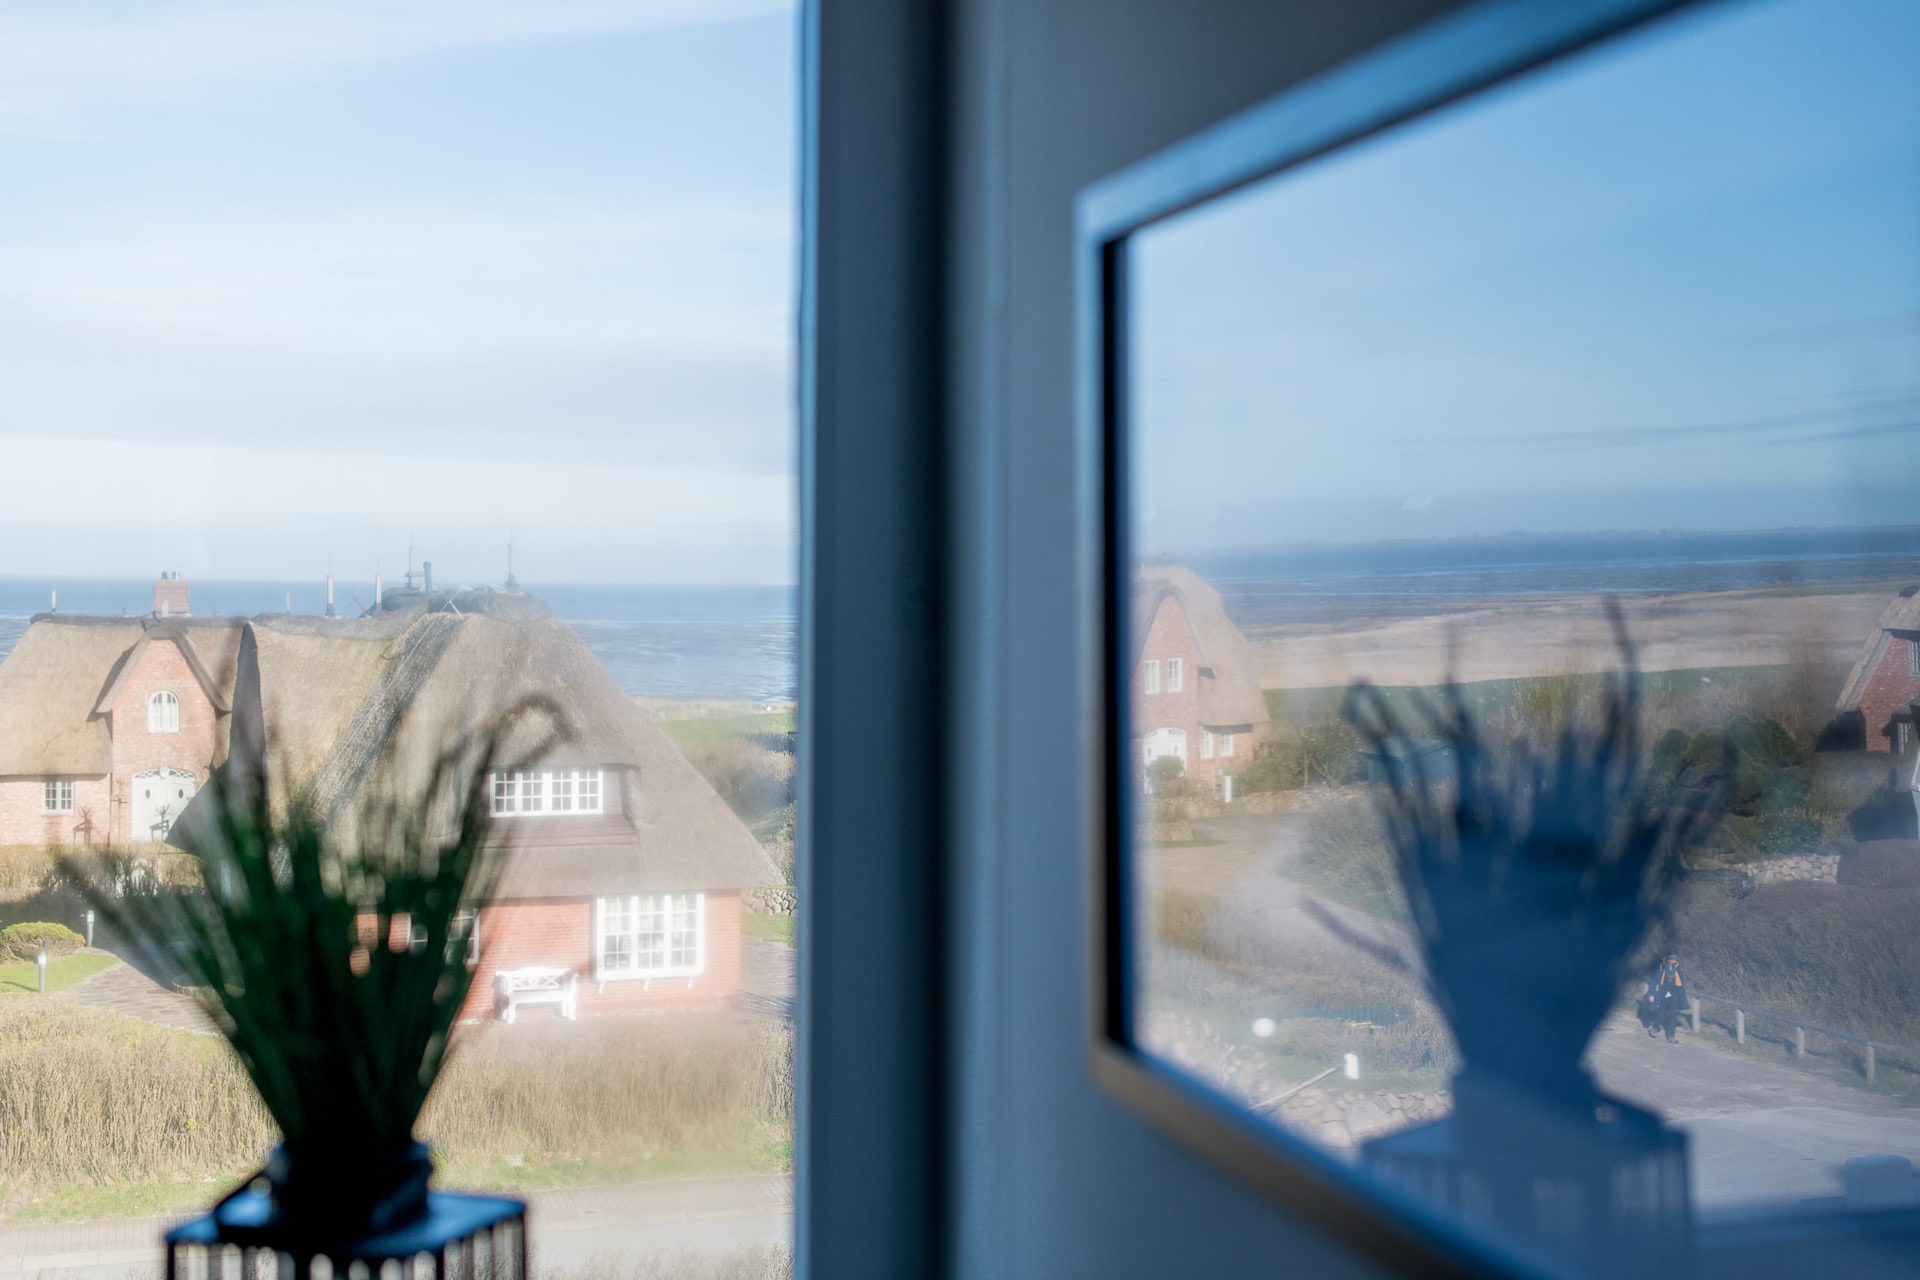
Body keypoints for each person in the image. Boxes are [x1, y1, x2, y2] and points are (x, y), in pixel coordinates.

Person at [1639, 953, 1686, 1043]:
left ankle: (1671, 1035)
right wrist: (1651, 994)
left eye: (1674, 959)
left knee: (1673, 1015)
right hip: (1663, 994)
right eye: (1671, 959)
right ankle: (1655, 1028)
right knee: (1662, 1013)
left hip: (1674, 995)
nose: (1673, 961)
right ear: (1667, 960)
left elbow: (1681, 984)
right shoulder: (1660, 969)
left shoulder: (1678, 969)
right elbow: (1653, 981)